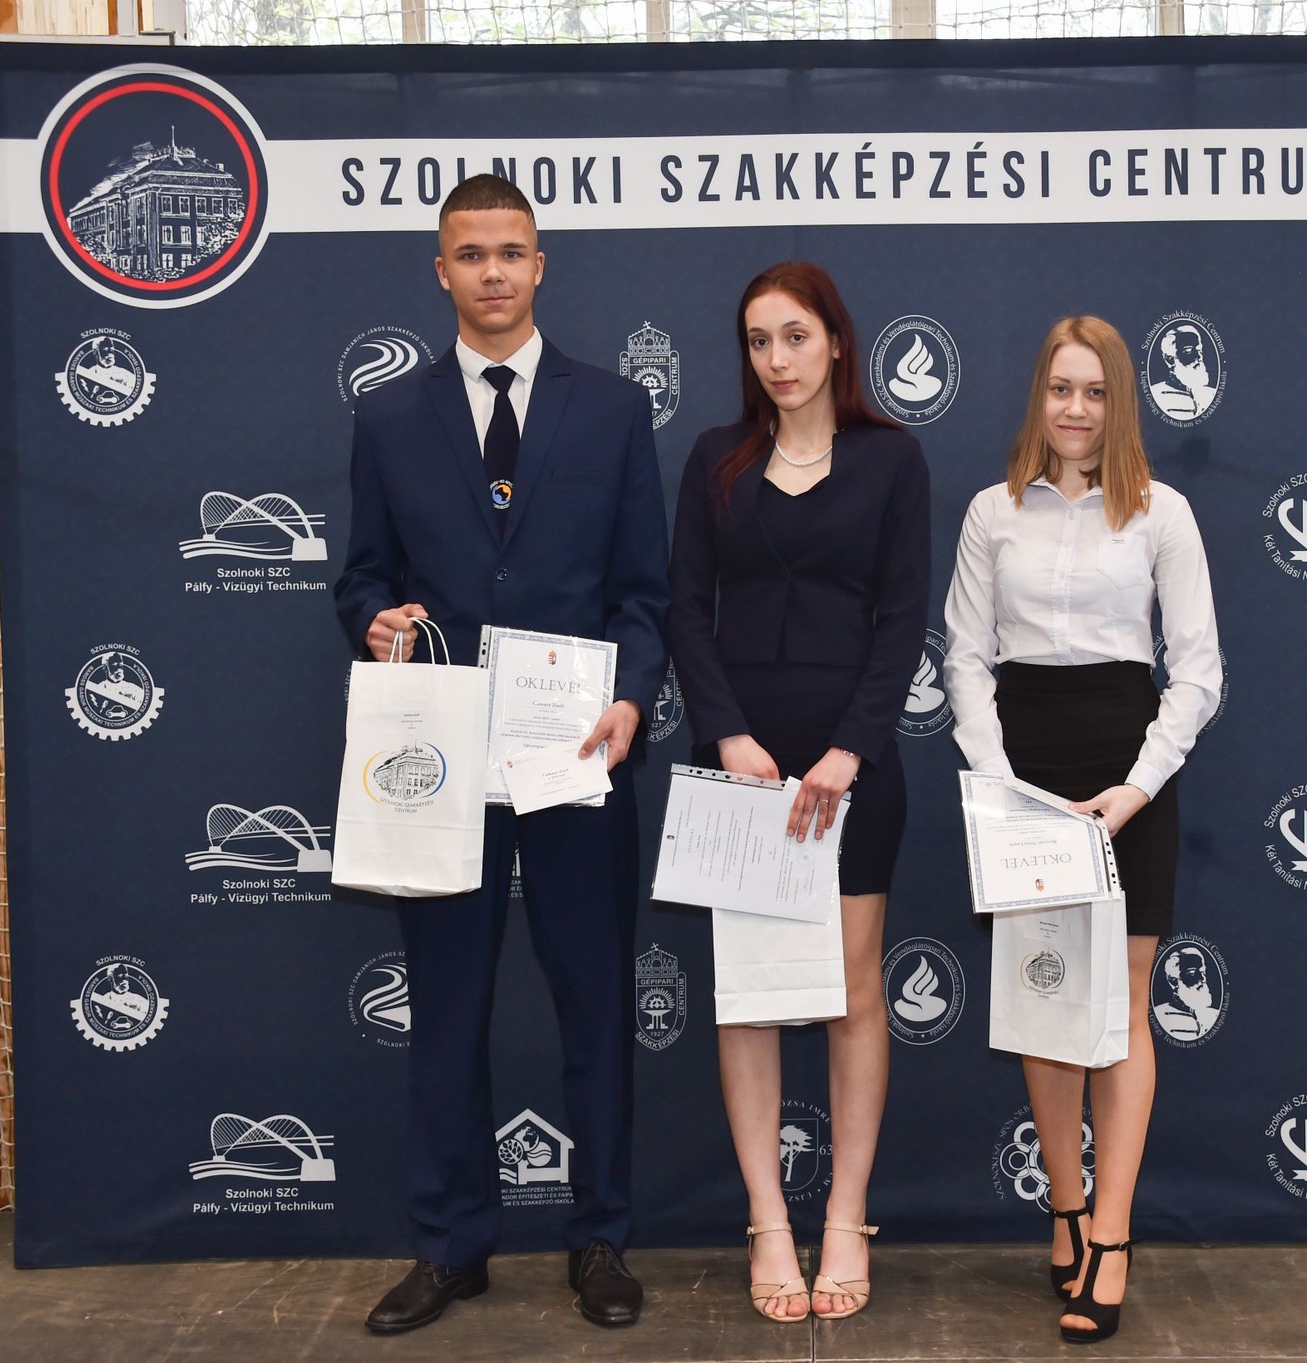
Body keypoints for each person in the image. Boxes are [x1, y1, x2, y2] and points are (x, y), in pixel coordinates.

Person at [332, 174, 669, 1337]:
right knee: (445, 1007)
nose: (492, 271)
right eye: (470, 253)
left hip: (576, 752)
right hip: (438, 763)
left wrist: (631, 698)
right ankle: (450, 1246)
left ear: (539, 265)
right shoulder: (389, 416)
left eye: (510, 252)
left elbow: (642, 592)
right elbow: (361, 576)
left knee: (594, 1004)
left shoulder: (612, 409)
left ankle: (600, 1238)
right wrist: (373, 620)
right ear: (441, 271)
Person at [943, 315, 1220, 1346]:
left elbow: (1197, 671)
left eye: (1095, 391)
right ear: (1039, 397)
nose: (1075, 408)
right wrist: (1000, 783)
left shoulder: (1162, 513)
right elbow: (964, 657)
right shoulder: (991, 511)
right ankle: (1063, 1206)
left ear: (1119, 403)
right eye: (1061, 388)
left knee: (1124, 1004)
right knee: (1046, 999)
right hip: (1023, 771)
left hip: (1125, 770)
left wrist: (1136, 788)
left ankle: (1111, 1232)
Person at [665, 261, 931, 1324]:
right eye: (757, 340)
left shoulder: (891, 458)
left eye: (794, 336)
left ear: (835, 341)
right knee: (750, 994)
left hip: (849, 766)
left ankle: (845, 1218)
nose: (776, 358)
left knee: (853, 991)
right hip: (743, 763)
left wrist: (849, 749)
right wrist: (727, 734)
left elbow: (902, 616)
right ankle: (768, 1220)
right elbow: (684, 607)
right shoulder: (714, 459)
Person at [1147, 322, 1218, 422]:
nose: (1199, 357)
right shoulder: (1155, 395)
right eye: (1188, 351)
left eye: (1199, 351)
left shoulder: (1212, 394)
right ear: (1170, 359)